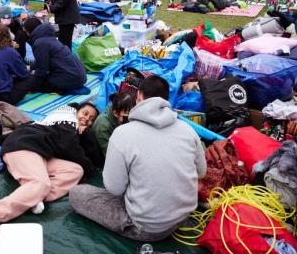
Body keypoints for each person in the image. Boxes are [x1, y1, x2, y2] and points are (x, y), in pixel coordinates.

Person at [69, 75, 206, 242]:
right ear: (167, 100)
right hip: (183, 217)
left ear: (139, 96)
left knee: (77, 193)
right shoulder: (187, 130)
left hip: (146, 227)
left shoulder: (123, 134)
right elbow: (201, 171)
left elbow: (114, 189)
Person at [0, 102, 100, 239]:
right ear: (77, 111)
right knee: (41, 183)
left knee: (75, 170)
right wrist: (93, 170)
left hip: (41, 153)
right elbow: (70, 147)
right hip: (22, 146)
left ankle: (34, 197)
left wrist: (83, 131)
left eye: (91, 119)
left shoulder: (66, 125)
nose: (87, 119)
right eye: (85, 113)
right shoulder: (67, 120)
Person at [7, 18, 86, 104]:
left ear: (29, 31)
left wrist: (31, 84)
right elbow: (41, 60)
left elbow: (41, 71)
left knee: (34, 83)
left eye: (25, 31)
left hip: (71, 78)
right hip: (80, 76)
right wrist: (30, 68)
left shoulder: (40, 43)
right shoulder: (49, 38)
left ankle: (60, 89)